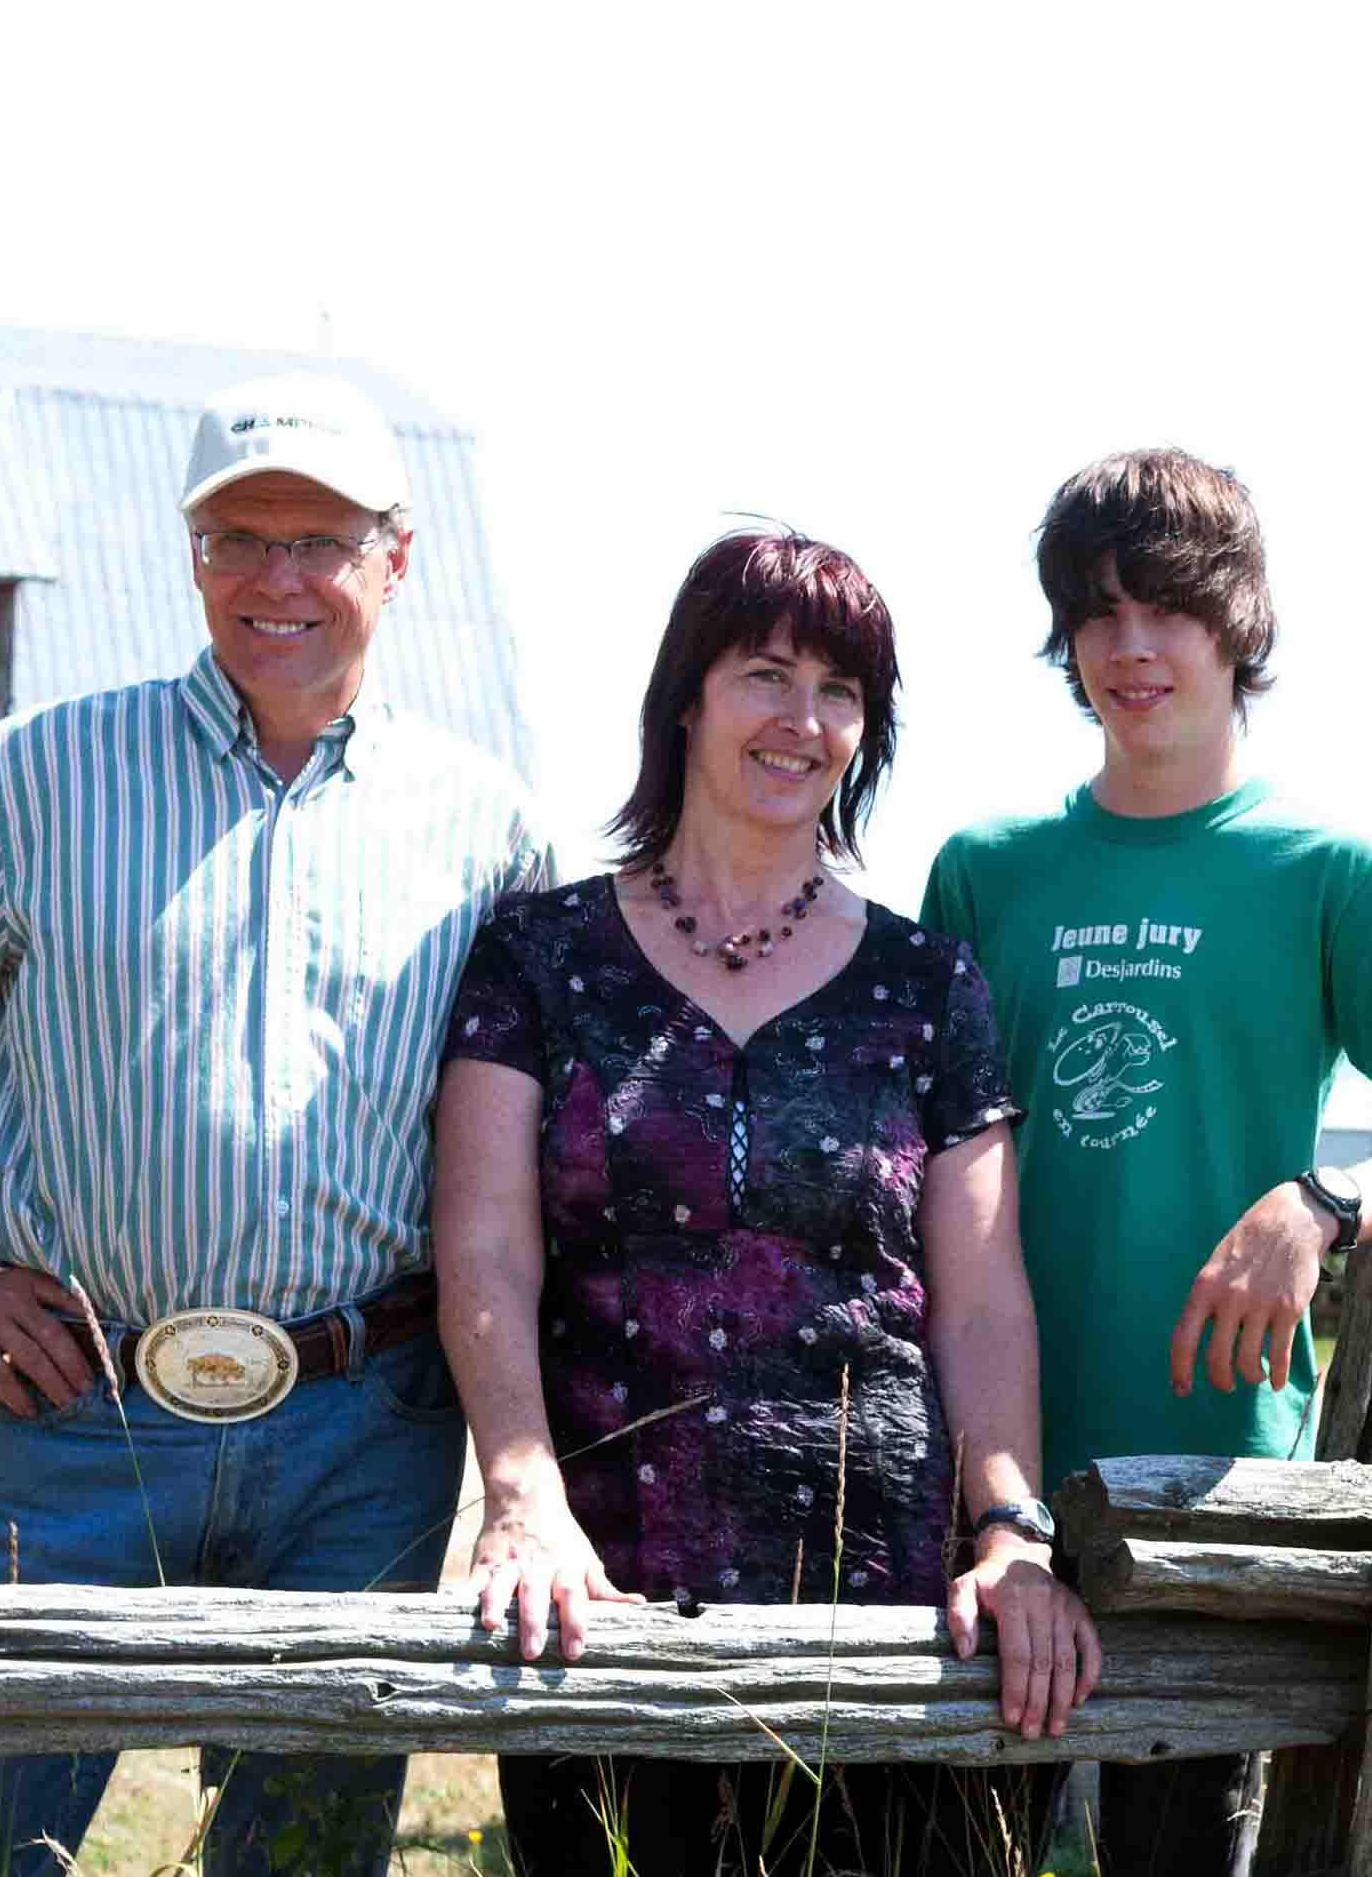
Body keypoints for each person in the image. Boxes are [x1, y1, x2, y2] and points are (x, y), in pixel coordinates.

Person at [0, 372, 547, 1877]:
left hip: (367, 1428)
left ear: (396, 557)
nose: (277, 578)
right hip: (85, 1414)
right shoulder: (34, 777)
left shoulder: (487, 825)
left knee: (303, 1861)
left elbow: (521, 1156)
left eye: (319, 540)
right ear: (193, 555)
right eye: (240, 538)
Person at [433, 528, 1096, 1877]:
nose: (803, 719)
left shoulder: (930, 984)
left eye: (840, 691)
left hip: (887, 1623)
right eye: (765, 675)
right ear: (686, 697)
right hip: (599, 1599)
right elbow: (487, 1254)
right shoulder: (537, 953)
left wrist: (1011, 1533)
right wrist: (520, 1495)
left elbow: (981, 1301)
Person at [919, 447, 1372, 1873]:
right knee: (957, 1852)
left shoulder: (1339, 873)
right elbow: (929, 1170)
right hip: (993, 1470)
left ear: (1240, 624)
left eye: (1168, 609)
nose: (1131, 647)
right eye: (1098, 612)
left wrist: (1320, 1204)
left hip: (1211, 1479)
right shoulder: (984, 871)